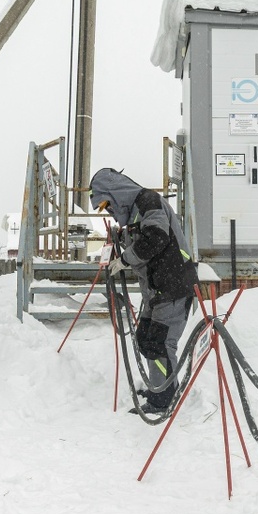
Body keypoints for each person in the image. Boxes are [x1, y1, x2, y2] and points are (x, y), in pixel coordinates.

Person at [89, 168, 197, 414]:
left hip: (173, 287)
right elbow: (142, 247)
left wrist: (126, 259)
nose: (109, 212)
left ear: (115, 193)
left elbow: (156, 237)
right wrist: (119, 250)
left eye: (108, 204)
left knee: (159, 343)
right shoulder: (134, 216)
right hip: (156, 292)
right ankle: (159, 387)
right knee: (146, 338)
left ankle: (164, 400)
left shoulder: (148, 201)